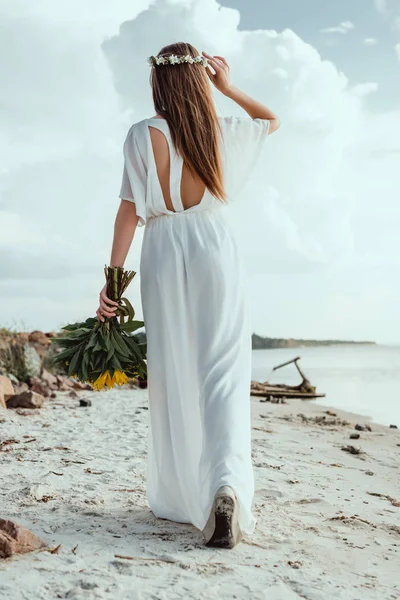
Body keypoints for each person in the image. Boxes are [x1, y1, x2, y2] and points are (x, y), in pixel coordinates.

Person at [96, 42, 280, 549]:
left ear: (157, 82)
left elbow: (128, 214)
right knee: (221, 371)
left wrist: (112, 282)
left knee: (174, 368)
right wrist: (227, 87)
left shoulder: (140, 135)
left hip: (161, 249)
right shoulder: (216, 130)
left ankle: (184, 496)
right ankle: (225, 486)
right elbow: (270, 120)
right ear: (198, 80)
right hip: (213, 244)